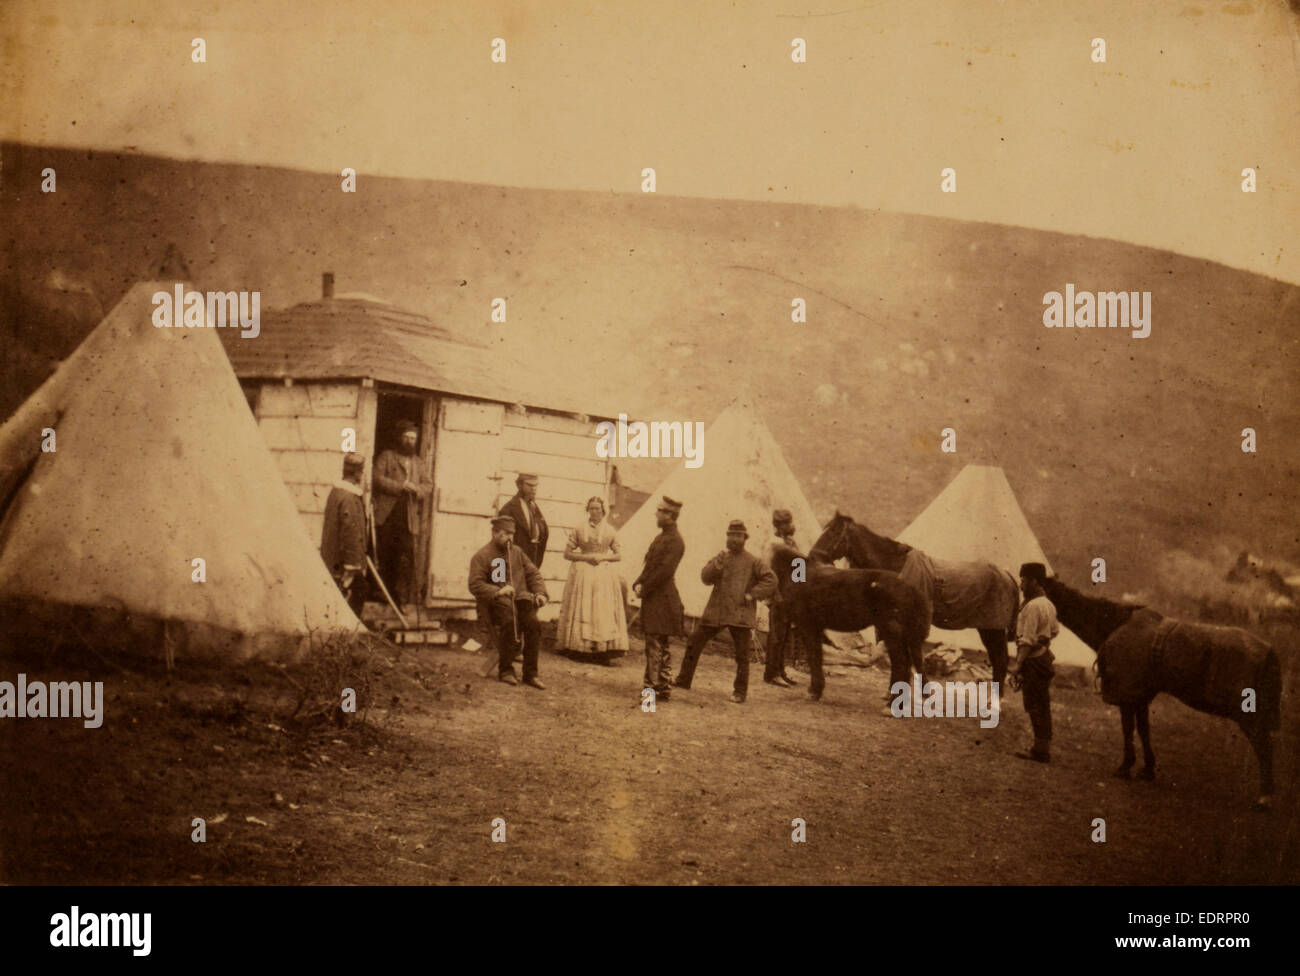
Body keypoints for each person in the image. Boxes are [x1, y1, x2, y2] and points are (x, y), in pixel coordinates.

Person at [674, 519, 778, 704]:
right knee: (694, 642)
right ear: (727, 537)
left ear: (745, 538)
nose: (734, 539)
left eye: (738, 536)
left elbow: (771, 579)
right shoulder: (721, 557)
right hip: (716, 612)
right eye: (731, 535)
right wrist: (716, 566)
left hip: (740, 614)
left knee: (742, 655)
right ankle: (683, 680)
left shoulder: (754, 561)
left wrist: (753, 594)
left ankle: (739, 692)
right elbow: (705, 578)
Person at [468, 515, 549, 688]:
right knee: (509, 621)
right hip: (495, 604)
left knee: (533, 624)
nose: (510, 538)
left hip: (519, 600)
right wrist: (498, 591)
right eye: (506, 534)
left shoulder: (517, 552)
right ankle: (506, 670)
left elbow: (533, 574)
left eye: (512, 534)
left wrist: (540, 593)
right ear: (495, 533)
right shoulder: (482, 556)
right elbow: (475, 584)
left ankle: (531, 674)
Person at [556, 496, 629, 663]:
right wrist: (586, 557)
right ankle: (579, 648)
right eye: (591, 508)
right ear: (587, 510)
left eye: (598, 509)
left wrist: (603, 557)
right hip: (582, 571)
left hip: (603, 574)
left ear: (603, 511)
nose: (594, 512)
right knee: (584, 608)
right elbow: (567, 554)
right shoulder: (579, 529)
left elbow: (618, 556)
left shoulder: (610, 531)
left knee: (601, 610)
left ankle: (602, 650)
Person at [633, 496, 686, 701]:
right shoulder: (661, 537)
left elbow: (664, 572)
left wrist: (644, 589)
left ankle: (651, 690)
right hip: (656, 598)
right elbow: (649, 567)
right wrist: (638, 582)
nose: (656, 514)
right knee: (660, 644)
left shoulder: (675, 541)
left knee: (654, 644)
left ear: (670, 516)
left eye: (660, 511)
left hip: (662, 600)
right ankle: (663, 686)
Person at [373, 419, 430, 607]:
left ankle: (398, 596)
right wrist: (400, 486)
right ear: (399, 438)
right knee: (384, 553)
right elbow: (376, 478)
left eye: (413, 438)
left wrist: (417, 490)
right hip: (387, 515)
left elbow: (428, 485)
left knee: (403, 556)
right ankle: (380, 592)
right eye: (406, 438)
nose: (409, 442)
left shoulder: (419, 463)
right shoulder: (387, 456)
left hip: (408, 518)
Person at [1009, 561, 1059, 763]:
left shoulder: (1032, 607)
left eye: (1024, 580)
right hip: (1044, 657)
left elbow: (1027, 640)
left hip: (1033, 661)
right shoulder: (1048, 604)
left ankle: (1040, 751)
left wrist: (1017, 665)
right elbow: (1054, 631)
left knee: (1034, 704)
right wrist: (1043, 639)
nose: (1021, 586)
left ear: (1035, 582)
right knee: (1042, 703)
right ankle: (1042, 746)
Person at [320, 452, 369, 617]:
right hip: (342, 562)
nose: (361, 476)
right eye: (361, 472)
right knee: (358, 591)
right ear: (357, 474)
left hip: (333, 558)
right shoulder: (349, 498)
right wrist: (352, 565)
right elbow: (350, 532)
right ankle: (349, 633)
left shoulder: (336, 494)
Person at [761, 508, 801, 688]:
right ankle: (771, 673)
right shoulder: (774, 544)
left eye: (789, 522)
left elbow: (800, 567)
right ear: (778, 525)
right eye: (785, 523)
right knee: (776, 635)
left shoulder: (790, 542)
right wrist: (773, 594)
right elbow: (768, 570)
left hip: (790, 593)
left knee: (784, 635)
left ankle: (781, 670)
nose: (790, 526)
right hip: (778, 594)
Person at [499, 473, 549, 569]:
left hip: (533, 564)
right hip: (515, 564)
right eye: (529, 485)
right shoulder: (509, 509)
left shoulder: (534, 507)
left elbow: (542, 533)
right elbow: (502, 541)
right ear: (519, 485)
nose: (533, 489)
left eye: (535, 485)